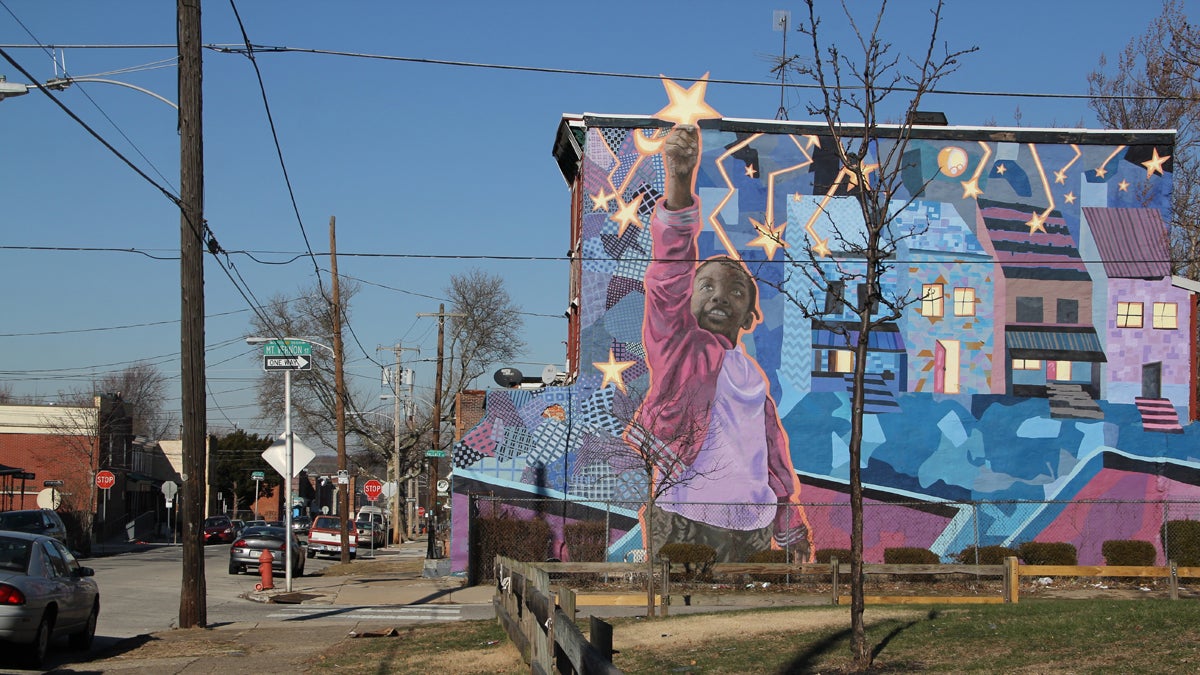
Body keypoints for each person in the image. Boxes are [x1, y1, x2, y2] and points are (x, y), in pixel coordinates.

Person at [634, 124, 810, 562]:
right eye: (706, 286)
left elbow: (773, 456)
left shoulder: (753, 379)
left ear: (751, 316)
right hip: (684, 515)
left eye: (735, 291)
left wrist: (788, 523)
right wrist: (679, 179)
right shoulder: (680, 348)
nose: (719, 296)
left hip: (751, 525)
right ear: (686, 302)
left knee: (741, 618)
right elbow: (668, 274)